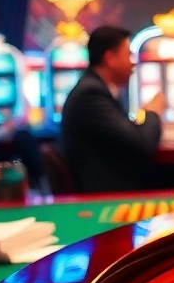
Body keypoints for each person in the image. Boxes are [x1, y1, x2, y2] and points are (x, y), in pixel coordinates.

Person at [60, 25, 165, 193]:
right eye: (128, 55)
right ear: (111, 58)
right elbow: (143, 145)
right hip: (105, 193)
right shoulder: (91, 94)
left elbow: (127, 134)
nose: (133, 63)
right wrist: (153, 112)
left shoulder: (98, 88)